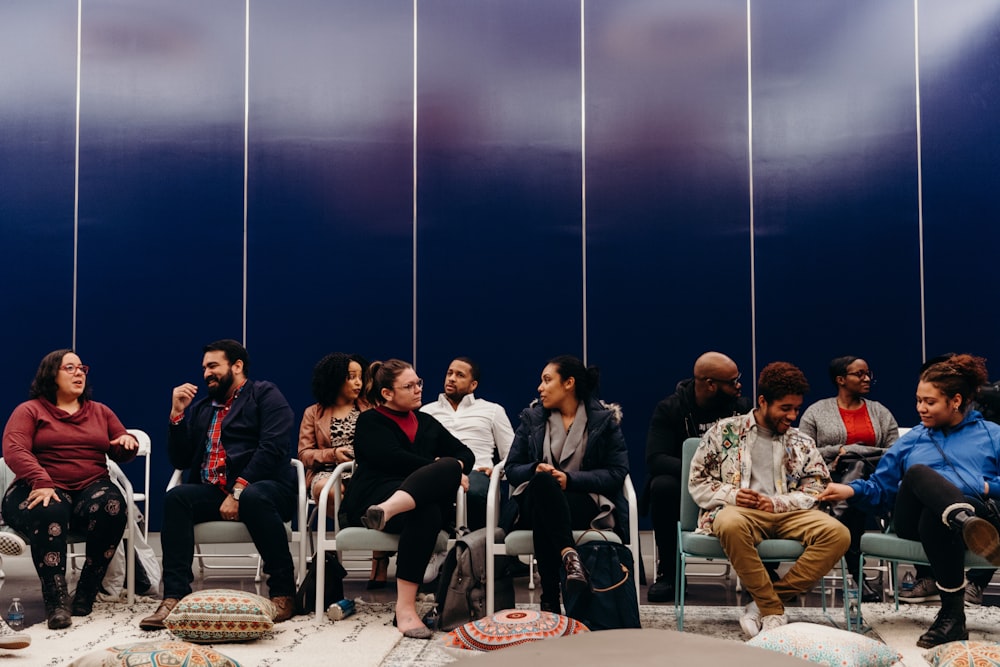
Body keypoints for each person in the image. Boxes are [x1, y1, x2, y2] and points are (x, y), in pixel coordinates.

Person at [819, 354, 1000, 648]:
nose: (920, 408)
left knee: (937, 517)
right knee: (917, 474)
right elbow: (881, 488)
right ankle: (963, 520)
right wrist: (849, 491)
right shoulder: (913, 438)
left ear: (955, 400)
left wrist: (986, 485)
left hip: (964, 517)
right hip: (912, 520)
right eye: (918, 400)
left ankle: (952, 618)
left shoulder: (992, 435)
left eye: (929, 402)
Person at [140, 339, 298, 630]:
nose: (206, 373)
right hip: (217, 491)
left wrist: (238, 490)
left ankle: (284, 593)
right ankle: (174, 596)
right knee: (177, 498)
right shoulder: (203, 409)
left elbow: (272, 448)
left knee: (253, 496)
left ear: (237, 366)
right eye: (204, 368)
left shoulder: (265, 394)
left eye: (213, 366)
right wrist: (177, 416)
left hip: (266, 487)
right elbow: (181, 458)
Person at [689, 361, 850, 638]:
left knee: (838, 534)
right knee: (728, 524)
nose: (792, 415)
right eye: (785, 408)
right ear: (763, 401)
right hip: (740, 513)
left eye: (797, 408)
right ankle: (773, 610)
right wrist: (735, 494)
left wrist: (778, 503)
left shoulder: (801, 441)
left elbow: (818, 487)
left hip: (788, 514)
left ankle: (763, 604)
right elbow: (698, 481)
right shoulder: (724, 432)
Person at [2, 349, 137, 630]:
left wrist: (126, 443)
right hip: (39, 486)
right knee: (49, 506)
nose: (79, 373)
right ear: (51, 375)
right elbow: (14, 448)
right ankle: (56, 600)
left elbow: (119, 446)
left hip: (90, 487)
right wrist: (41, 479)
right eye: (70, 368)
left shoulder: (100, 411)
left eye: (82, 368)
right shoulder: (30, 410)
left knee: (113, 506)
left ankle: (87, 590)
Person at [344, 359, 474, 639]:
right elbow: (391, 458)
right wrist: (437, 468)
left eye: (419, 383)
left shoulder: (426, 422)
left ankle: (388, 512)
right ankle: (405, 610)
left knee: (433, 498)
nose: (418, 390)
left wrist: (450, 468)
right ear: (387, 394)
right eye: (409, 385)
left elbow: (466, 454)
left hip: (397, 507)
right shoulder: (370, 421)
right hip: (371, 496)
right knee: (441, 479)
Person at [504, 355, 630, 616]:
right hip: (532, 500)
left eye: (547, 380)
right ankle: (569, 556)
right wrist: (535, 469)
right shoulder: (532, 419)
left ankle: (550, 599)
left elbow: (617, 473)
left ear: (569, 383)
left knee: (545, 509)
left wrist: (570, 479)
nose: (540, 387)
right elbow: (512, 468)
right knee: (541, 484)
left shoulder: (603, 421)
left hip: (582, 502)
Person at [643, 351, 752, 602]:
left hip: (731, 484)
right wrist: (701, 472)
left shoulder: (742, 409)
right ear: (711, 384)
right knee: (662, 486)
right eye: (732, 381)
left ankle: (761, 571)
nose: (739, 386)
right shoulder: (671, 408)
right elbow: (656, 458)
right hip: (685, 486)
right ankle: (670, 574)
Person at [799, 356, 899, 602]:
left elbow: (896, 451)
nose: (866, 379)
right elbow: (802, 450)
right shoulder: (817, 411)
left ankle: (832, 526)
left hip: (874, 482)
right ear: (840, 380)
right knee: (853, 491)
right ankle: (857, 576)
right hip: (828, 480)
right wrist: (838, 451)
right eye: (859, 374)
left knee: (857, 471)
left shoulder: (879, 411)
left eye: (868, 373)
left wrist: (855, 451)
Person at [297, 352, 387, 587]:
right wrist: (332, 454)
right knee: (328, 491)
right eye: (351, 377)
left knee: (380, 494)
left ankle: (378, 558)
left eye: (360, 377)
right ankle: (358, 533)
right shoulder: (313, 413)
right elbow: (304, 454)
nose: (358, 382)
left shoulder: (371, 408)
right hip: (327, 471)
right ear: (335, 379)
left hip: (365, 470)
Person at [420, 357, 514, 530]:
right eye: (449, 373)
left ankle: (473, 551)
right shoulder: (426, 412)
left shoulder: (493, 410)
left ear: (473, 385)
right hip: (435, 471)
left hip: (476, 472)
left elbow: (513, 453)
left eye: (460, 375)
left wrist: (497, 471)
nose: (452, 378)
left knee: (474, 494)